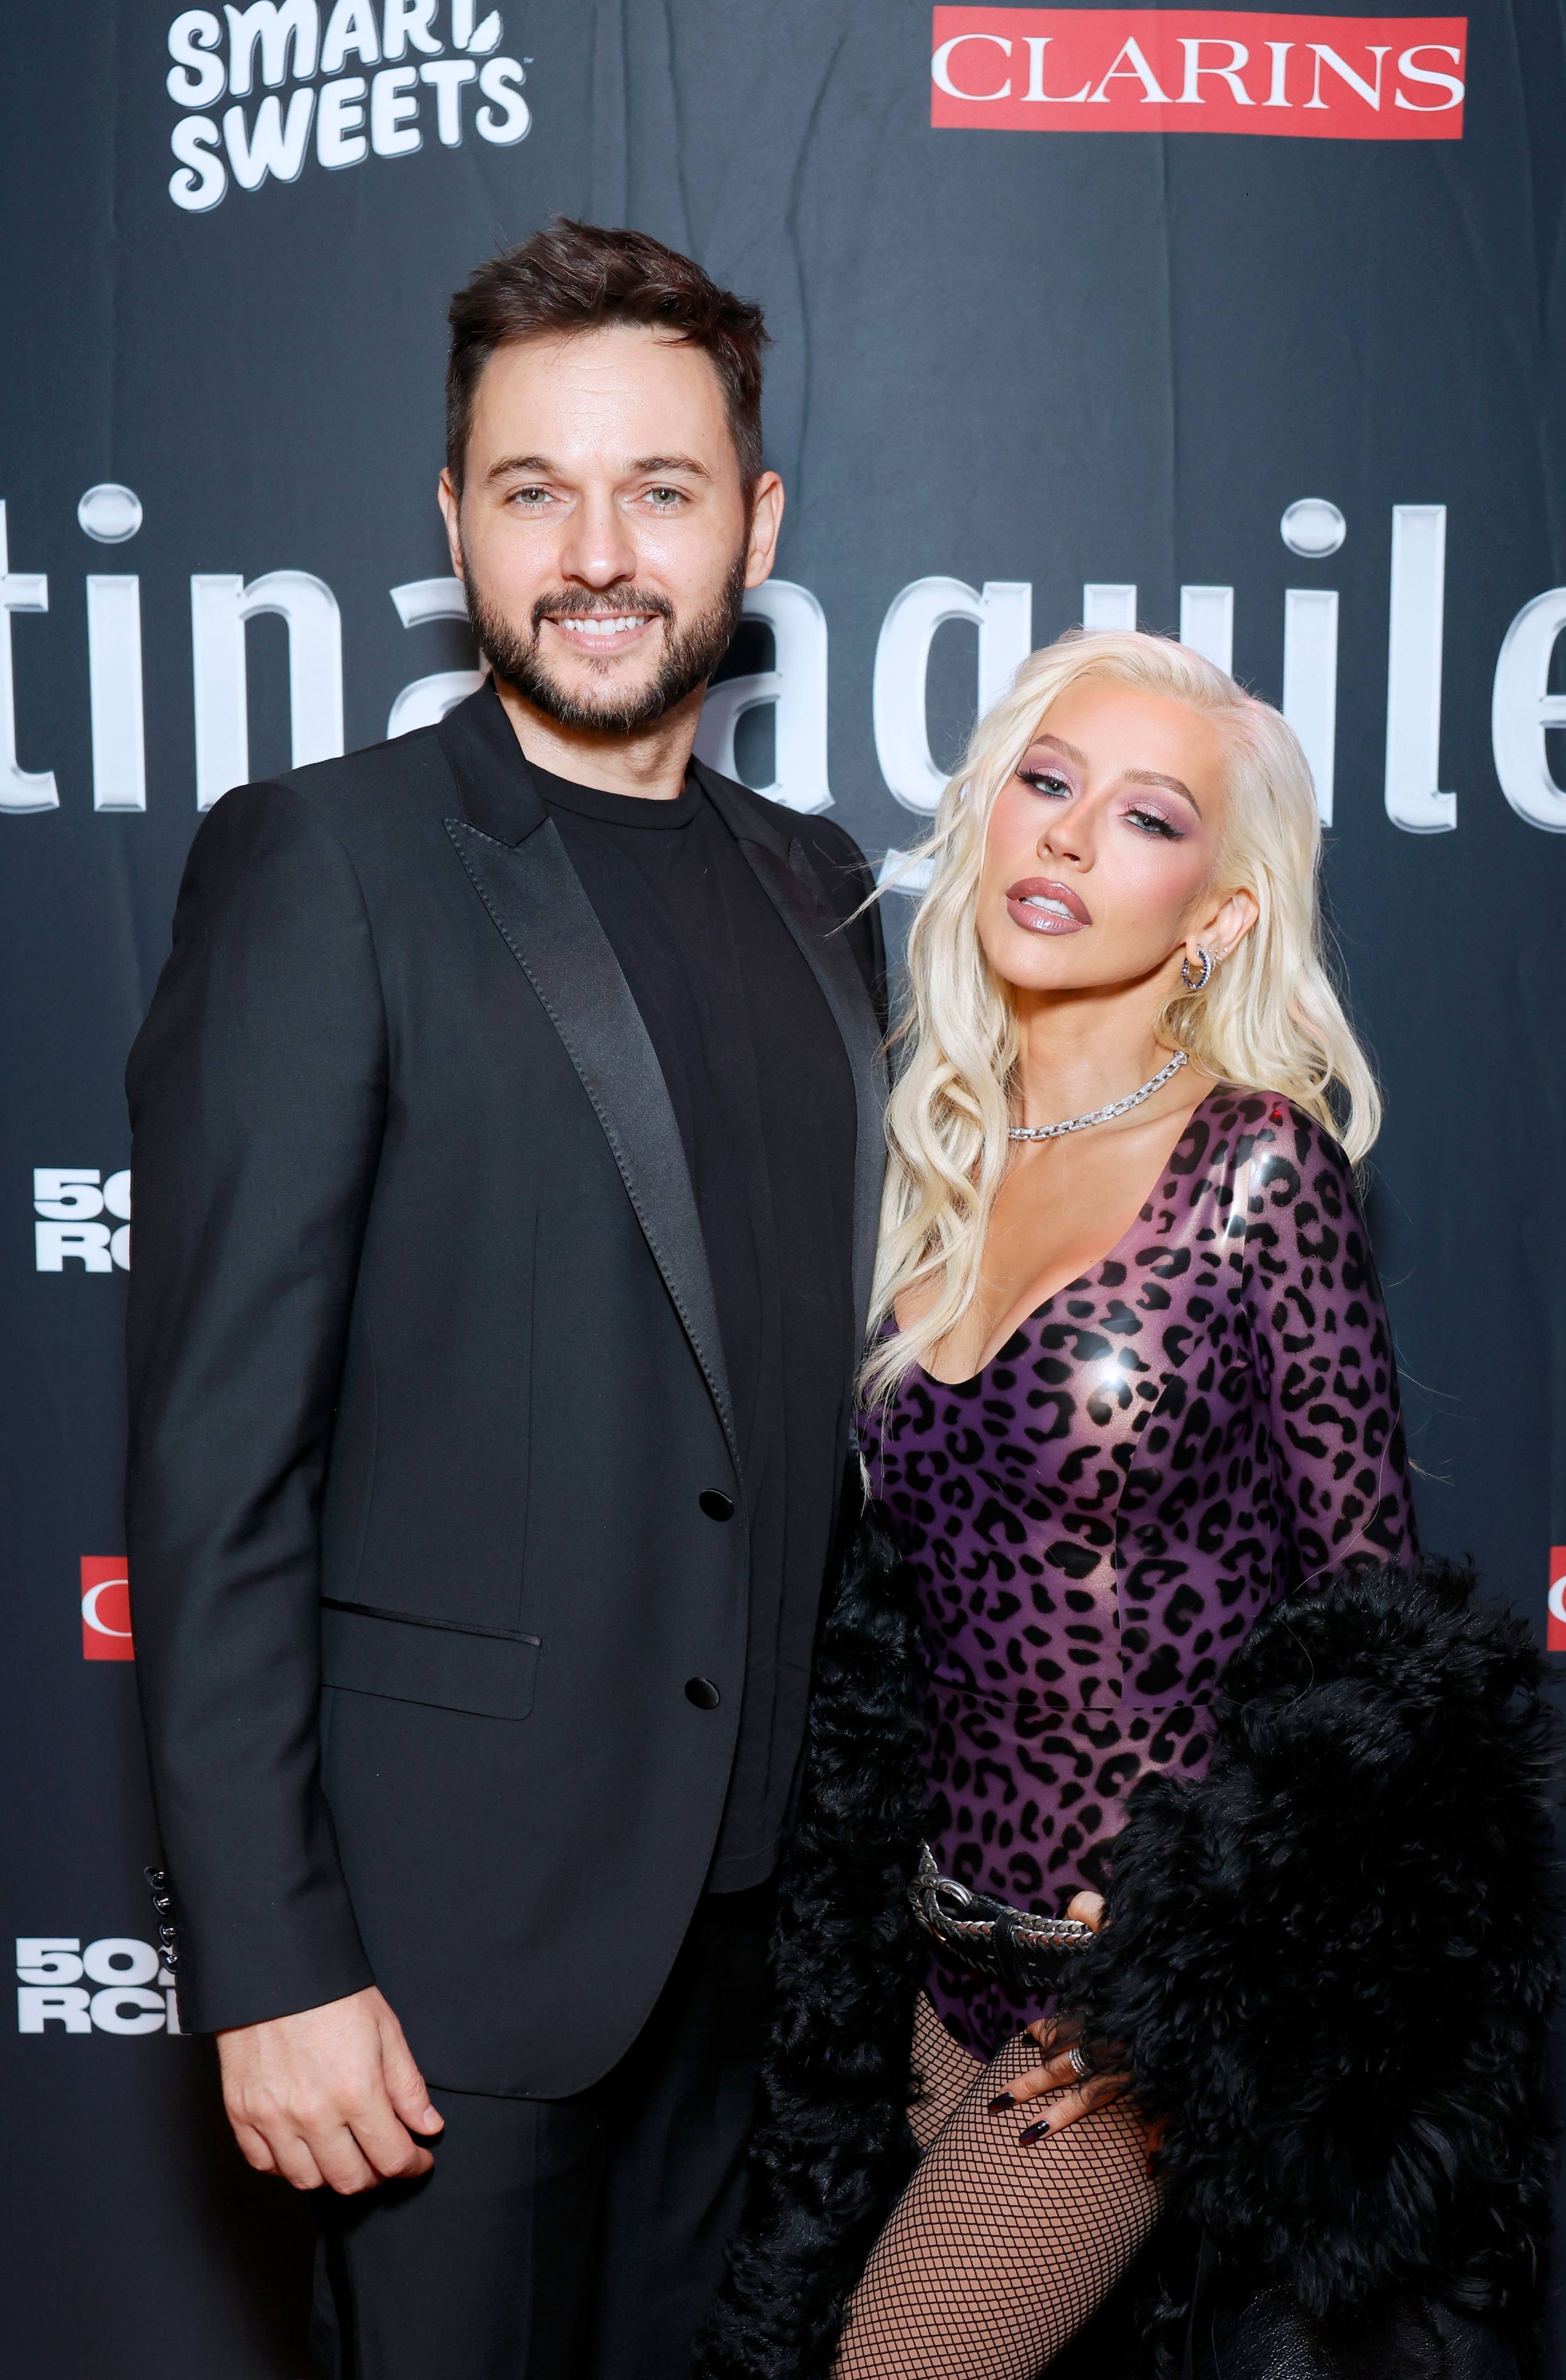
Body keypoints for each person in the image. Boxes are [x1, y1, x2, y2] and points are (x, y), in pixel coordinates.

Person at [124, 220, 887, 2380]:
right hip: (439, 1978)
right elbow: (216, 1471)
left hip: (754, 1974)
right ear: (448, 517)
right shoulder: (322, 866)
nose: (597, 554)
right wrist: (271, 1967)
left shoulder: (824, 887)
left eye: (660, 490)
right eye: (531, 490)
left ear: (756, 522)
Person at [705, 627, 1423, 2380]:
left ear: (1220, 914)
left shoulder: (1257, 1164)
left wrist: (1210, 1956)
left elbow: (1372, 1638)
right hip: (927, 1968)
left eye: (1146, 816)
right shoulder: (921, 1156)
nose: (1069, 835)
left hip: (1130, 2016)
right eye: (1045, 783)